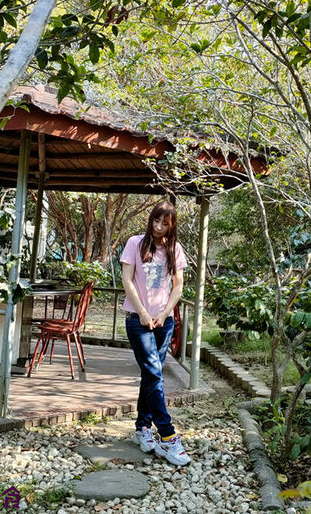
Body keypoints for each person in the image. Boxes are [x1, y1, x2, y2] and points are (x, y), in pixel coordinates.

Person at [120, 200, 191, 466]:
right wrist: (142, 312)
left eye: (165, 224)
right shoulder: (135, 243)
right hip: (138, 321)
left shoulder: (174, 249)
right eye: (156, 221)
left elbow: (178, 286)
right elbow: (127, 280)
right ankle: (168, 436)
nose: (159, 227)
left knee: (151, 376)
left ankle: (142, 428)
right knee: (153, 373)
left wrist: (163, 314)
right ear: (150, 219)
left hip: (164, 322)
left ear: (172, 226)